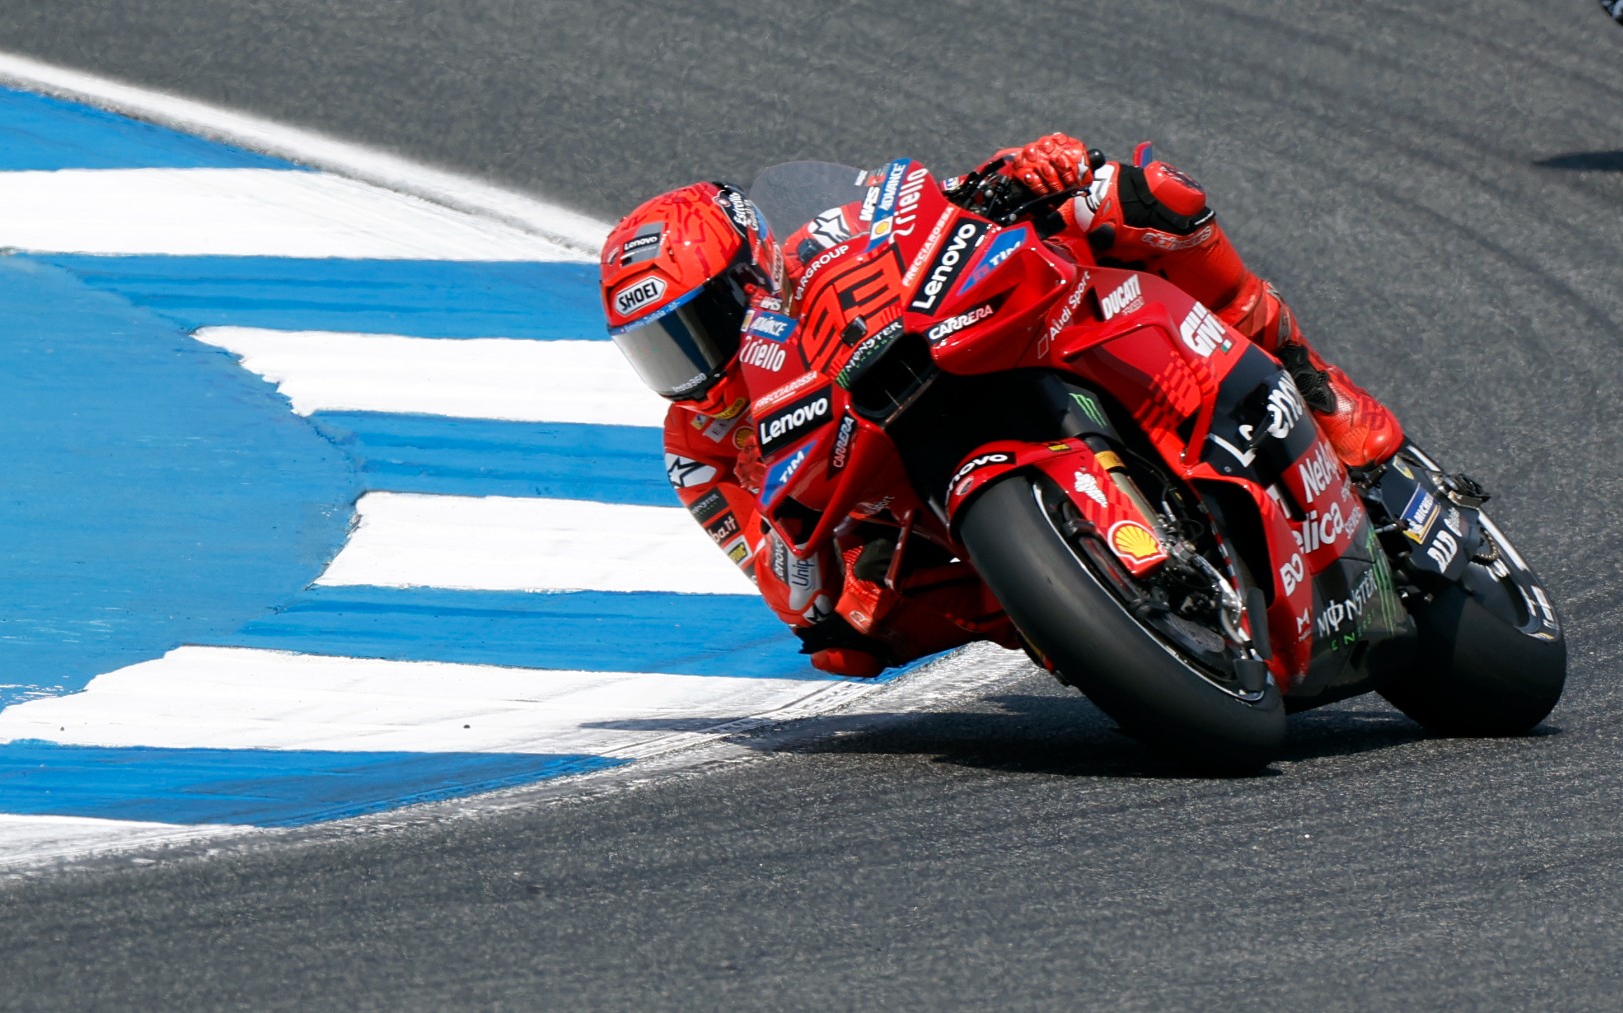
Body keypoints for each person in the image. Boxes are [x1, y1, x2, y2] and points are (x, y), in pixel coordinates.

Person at [598, 136, 1404, 676]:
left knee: (1138, 194)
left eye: (693, 327)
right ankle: (1087, 614)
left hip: (957, 348)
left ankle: (1318, 391)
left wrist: (1019, 170)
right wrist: (820, 550)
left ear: (752, 271)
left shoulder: (820, 249)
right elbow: (794, 601)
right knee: (848, 644)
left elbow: (921, 209)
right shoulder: (696, 449)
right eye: (659, 350)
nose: (691, 368)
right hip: (898, 521)